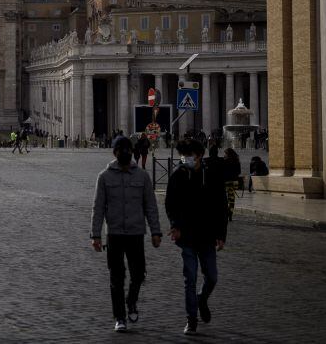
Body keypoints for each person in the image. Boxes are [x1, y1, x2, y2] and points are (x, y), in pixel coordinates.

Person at [91, 136, 163, 332]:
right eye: (121, 150)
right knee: (116, 277)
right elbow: (98, 208)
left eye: (127, 150)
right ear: (114, 153)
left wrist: (156, 231)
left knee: (138, 274)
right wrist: (95, 235)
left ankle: (131, 300)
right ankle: (120, 317)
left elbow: (150, 206)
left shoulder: (142, 176)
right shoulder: (104, 177)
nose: (125, 153)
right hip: (114, 233)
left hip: (135, 232)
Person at [165, 138, 229, 336]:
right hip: (186, 235)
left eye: (189, 155)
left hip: (207, 234)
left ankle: (202, 299)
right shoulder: (178, 175)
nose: (186, 159)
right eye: (183, 155)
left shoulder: (211, 175)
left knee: (212, 276)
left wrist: (221, 234)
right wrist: (175, 226)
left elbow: (221, 205)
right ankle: (191, 319)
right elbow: (170, 203)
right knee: (190, 278)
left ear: (199, 155)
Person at [221, 148, 242, 221]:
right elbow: (239, 172)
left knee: (224, 199)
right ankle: (230, 213)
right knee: (231, 199)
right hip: (234, 182)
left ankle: (225, 213)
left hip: (226, 181)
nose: (224, 155)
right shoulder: (236, 161)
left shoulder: (224, 161)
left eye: (225, 153)